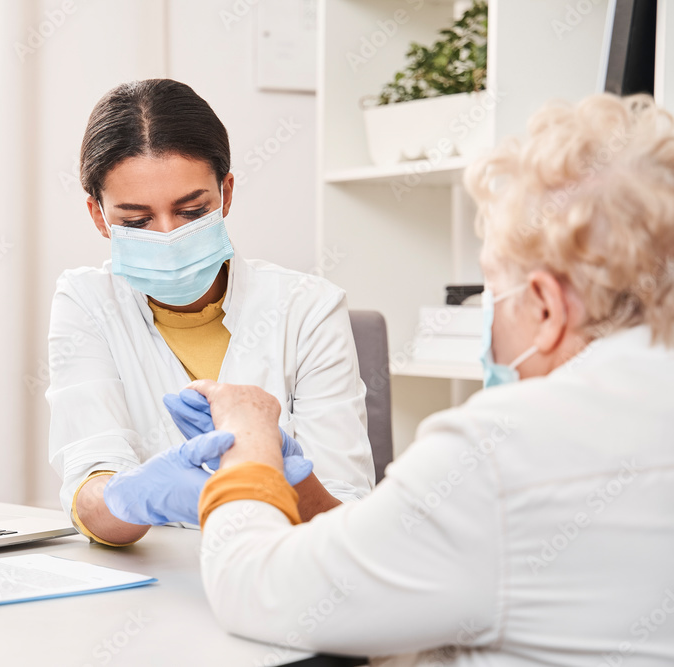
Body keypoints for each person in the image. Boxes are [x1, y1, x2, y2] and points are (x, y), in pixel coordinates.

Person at [184, 94, 674, 663]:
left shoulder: (498, 453)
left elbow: (255, 590)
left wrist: (247, 448)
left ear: (544, 305)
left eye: (492, 290)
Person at [46, 79, 375, 547]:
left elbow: (347, 521)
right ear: (99, 216)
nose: (168, 236)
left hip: (280, 565)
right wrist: (131, 496)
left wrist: (286, 475)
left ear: (226, 192)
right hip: (158, 576)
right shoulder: (87, 301)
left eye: (192, 211)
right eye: (136, 221)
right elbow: (89, 486)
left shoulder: (308, 308)